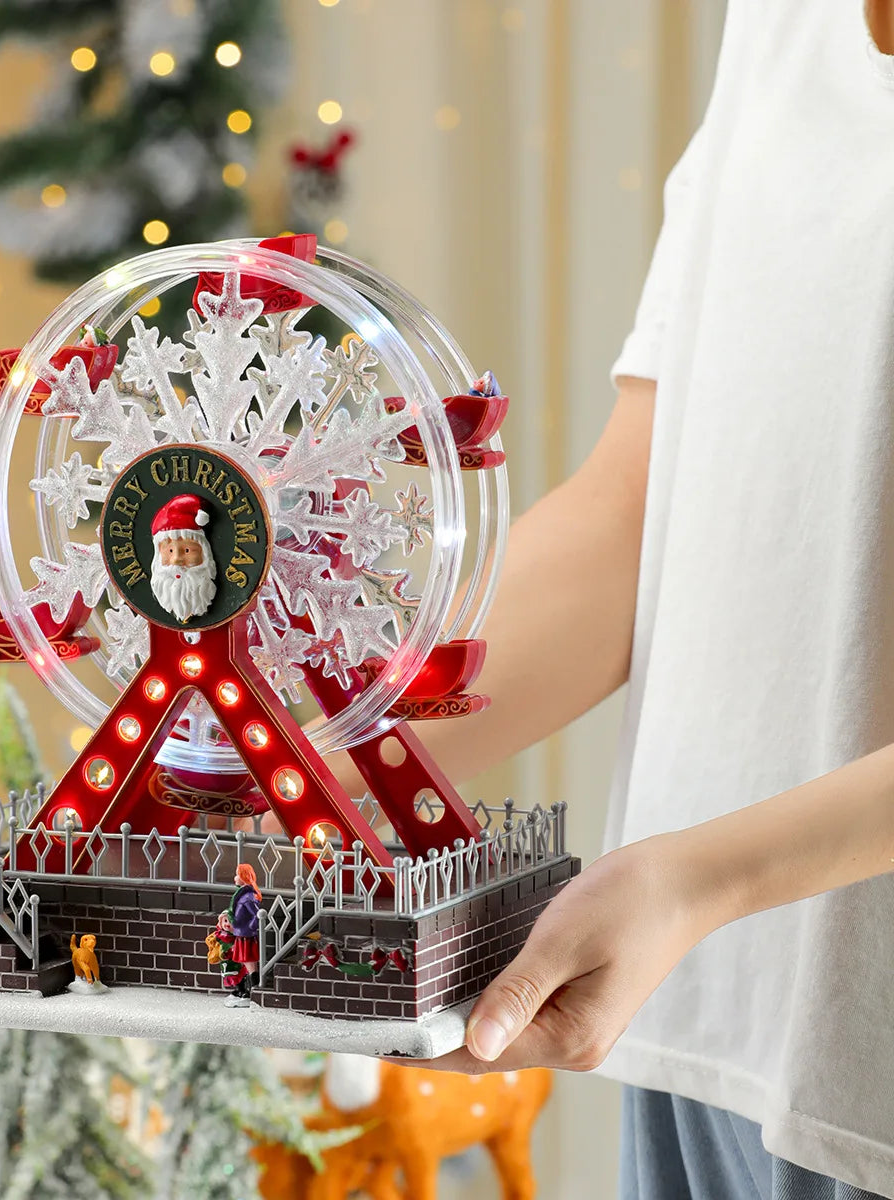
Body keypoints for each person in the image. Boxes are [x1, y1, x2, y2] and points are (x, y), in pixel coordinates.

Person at [398, 3, 894, 1197]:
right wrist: (337, 752)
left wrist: (700, 879)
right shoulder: (780, 22)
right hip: (704, 1038)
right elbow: (639, 513)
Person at [224, 864, 262, 1008]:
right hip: (241, 934)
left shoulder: (248, 897)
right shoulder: (242, 895)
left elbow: (257, 915)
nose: (235, 878)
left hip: (247, 937)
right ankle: (244, 990)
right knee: (242, 964)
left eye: (237, 875)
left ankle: (253, 992)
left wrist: (250, 928)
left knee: (249, 964)